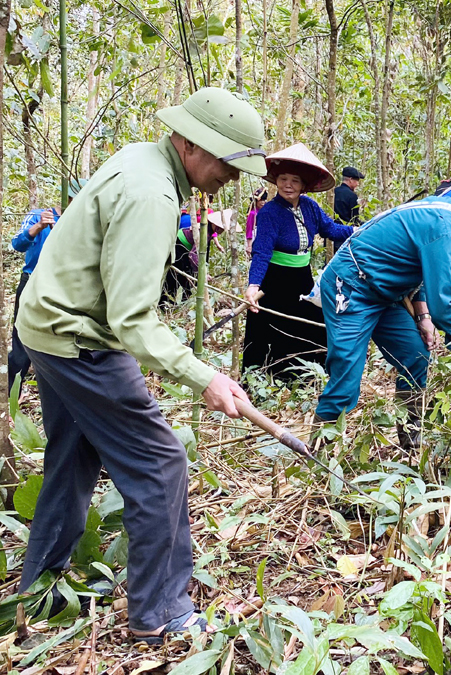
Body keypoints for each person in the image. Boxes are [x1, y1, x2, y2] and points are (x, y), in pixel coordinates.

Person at [14, 87, 266, 644]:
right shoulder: (152, 194)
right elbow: (131, 319)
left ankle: (40, 590)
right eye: (229, 161)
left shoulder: (140, 159)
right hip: (78, 339)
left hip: (44, 326)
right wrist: (206, 376)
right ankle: (161, 613)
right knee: (161, 464)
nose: (232, 175)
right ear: (191, 144)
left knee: (74, 457)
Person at [314, 167, 451, 448]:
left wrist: (422, 316)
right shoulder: (445, 226)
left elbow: (421, 271)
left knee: (416, 355)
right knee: (347, 372)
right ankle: (317, 453)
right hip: (351, 283)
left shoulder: (450, 214)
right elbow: (444, 307)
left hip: (387, 294)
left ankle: (410, 435)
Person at [243, 144, 354, 380]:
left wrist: (359, 230)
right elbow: (261, 252)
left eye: (294, 180)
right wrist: (254, 285)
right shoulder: (269, 213)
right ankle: (269, 378)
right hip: (275, 280)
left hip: (302, 278)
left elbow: (331, 230)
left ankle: (306, 375)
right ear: (276, 181)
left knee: (309, 323)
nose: (288, 185)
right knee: (272, 327)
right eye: (283, 179)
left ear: (303, 184)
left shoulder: (310, 207)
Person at [8, 179, 86, 394]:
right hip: (33, 281)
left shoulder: (80, 221)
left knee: (59, 340)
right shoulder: (39, 215)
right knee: (21, 338)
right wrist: (39, 226)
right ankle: (10, 392)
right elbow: (17, 244)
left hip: (64, 286)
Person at [161, 207, 227, 307]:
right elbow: (193, 255)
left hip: (184, 247)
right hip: (179, 245)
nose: (220, 230)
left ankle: (183, 300)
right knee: (175, 276)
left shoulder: (209, 231)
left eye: (223, 229)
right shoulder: (204, 232)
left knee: (187, 276)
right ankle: (166, 303)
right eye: (219, 227)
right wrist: (202, 273)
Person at [246, 186, 268, 257]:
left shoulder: (265, 212)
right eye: (261, 200)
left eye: (264, 200)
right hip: (254, 239)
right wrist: (249, 246)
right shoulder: (253, 213)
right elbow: (249, 229)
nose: (263, 202)